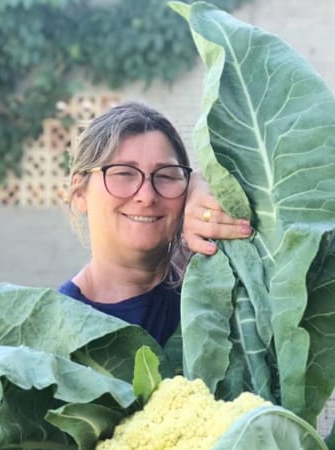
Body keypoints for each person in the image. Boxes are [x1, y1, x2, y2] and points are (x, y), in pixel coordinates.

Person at [59, 101, 251, 345]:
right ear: (80, 193)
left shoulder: (219, 290)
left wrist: (206, 186)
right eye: (124, 173)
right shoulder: (56, 331)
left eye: (166, 176)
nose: (147, 196)